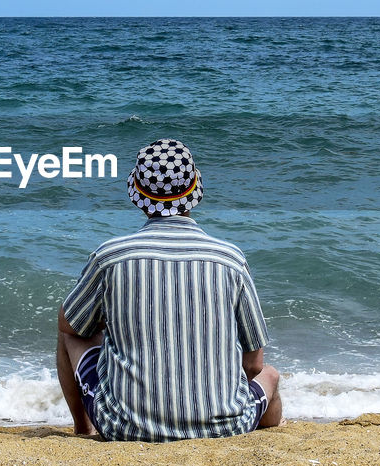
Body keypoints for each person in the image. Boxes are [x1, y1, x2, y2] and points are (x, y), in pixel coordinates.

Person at [55, 138, 283, 441]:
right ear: (195, 191)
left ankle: (84, 429)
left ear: (137, 193)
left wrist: (107, 319)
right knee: (272, 376)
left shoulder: (110, 257)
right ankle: (268, 431)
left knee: (73, 329)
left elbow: (69, 324)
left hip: (125, 426)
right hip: (225, 427)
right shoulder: (230, 260)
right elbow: (253, 363)